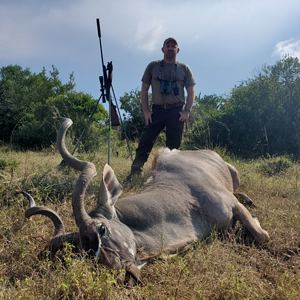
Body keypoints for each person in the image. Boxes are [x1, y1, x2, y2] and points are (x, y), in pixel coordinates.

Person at [129, 37, 196, 177]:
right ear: (162, 49)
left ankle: (171, 175)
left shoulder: (184, 68)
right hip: (157, 110)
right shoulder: (152, 66)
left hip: (176, 111)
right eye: (168, 46)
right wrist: (146, 111)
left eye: (173, 46)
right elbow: (144, 89)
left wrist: (187, 111)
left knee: (174, 147)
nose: (170, 48)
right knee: (145, 140)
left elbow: (191, 91)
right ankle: (136, 171)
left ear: (177, 50)